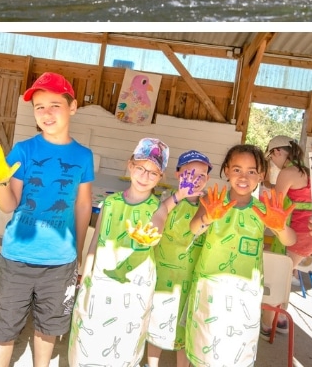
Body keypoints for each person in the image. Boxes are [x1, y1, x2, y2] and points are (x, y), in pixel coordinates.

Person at [0, 72, 94, 367]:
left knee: (48, 329)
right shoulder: (24, 150)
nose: (46, 113)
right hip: (17, 258)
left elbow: (83, 206)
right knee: (3, 330)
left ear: (73, 107)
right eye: (39, 106)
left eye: (55, 104)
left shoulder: (83, 156)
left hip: (60, 262)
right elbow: (8, 206)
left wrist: (78, 253)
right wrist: (1, 183)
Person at [185, 144, 295, 364]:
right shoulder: (213, 201)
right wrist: (207, 217)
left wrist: (280, 227)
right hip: (210, 287)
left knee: (237, 350)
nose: (243, 176)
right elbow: (193, 228)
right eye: (237, 169)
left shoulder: (263, 209)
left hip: (245, 293)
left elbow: (290, 240)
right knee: (205, 344)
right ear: (226, 170)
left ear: (260, 175)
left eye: (251, 171)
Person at [69, 137, 168, 367]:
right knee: (88, 337)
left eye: (153, 172)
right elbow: (96, 239)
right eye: (141, 168)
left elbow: (158, 225)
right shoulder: (110, 202)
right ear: (130, 165)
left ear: (161, 177)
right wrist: (86, 270)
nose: (145, 176)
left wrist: (153, 231)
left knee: (124, 343)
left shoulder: (159, 207)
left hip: (134, 290)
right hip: (100, 284)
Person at [145, 150, 212, 367]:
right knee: (156, 323)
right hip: (163, 276)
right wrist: (179, 196)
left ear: (208, 179)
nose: (196, 179)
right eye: (190, 173)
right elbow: (159, 216)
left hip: (192, 279)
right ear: (177, 174)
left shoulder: (210, 205)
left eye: (202, 175)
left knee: (185, 330)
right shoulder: (167, 199)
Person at [261, 136, 312, 332]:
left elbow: (277, 202)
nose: (272, 161)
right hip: (310, 235)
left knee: (276, 277)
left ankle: (271, 324)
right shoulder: (306, 171)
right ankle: (279, 320)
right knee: (286, 274)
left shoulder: (287, 172)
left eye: (271, 156)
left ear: (277, 152)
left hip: (294, 233)